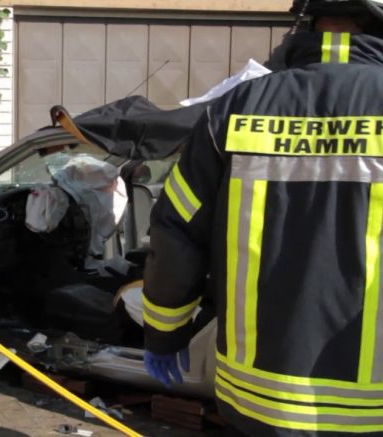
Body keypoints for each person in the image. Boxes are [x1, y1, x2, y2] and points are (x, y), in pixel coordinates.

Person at [141, 0, 383, 435]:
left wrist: (164, 335)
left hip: (256, 401)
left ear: (307, 21)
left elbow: (177, 233)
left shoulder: (237, 107)